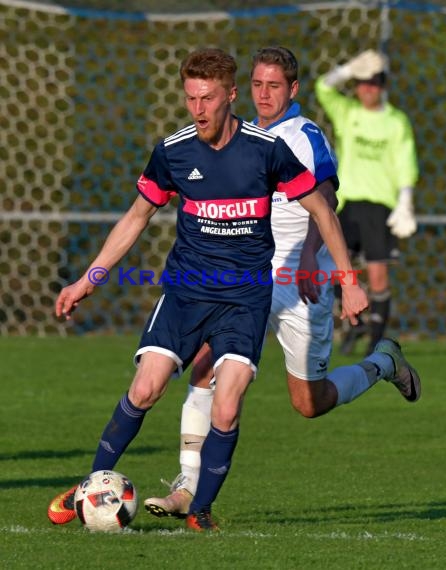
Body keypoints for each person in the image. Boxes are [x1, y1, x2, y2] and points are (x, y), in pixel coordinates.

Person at [47, 47, 369, 532]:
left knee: (228, 399)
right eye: (191, 97)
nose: (198, 109)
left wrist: (347, 280)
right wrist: (88, 278)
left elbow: (323, 208)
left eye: (208, 98)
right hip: (187, 292)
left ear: (229, 96)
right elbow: (137, 216)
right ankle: (92, 483)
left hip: (245, 297)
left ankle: (199, 511)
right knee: (146, 386)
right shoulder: (173, 151)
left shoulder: (267, 148)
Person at [143, 47, 421, 521]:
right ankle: (188, 488)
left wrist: (314, 255)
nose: (264, 94)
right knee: (204, 366)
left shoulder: (304, 135)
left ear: (292, 90)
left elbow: (326, 200)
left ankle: (381, 363)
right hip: (246, 277)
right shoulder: (236, 135)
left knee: (308, 403)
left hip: (297, 277)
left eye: (274, 86)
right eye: (257, 85)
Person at [314, 49, 419, 356]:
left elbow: (405, 161)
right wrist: (347, 69)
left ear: (382, 86)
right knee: (334, 267)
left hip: (380, 206)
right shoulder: (349, 113)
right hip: (348, 203)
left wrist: (406, 201)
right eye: (361, 83)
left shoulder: (396, 122)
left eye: (372, 83)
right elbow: (323, 88)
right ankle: (356, 324)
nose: (366, 89)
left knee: (377, 276)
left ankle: (376, 341)